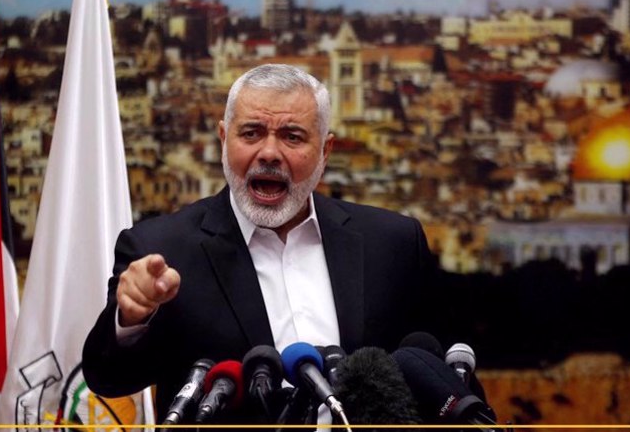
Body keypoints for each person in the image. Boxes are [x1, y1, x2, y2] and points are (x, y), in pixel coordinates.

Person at [82, 64, 438, 422]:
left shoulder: (393, 243)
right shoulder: (161, 249)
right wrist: (131, 316)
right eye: (251, 133)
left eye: (292, 137)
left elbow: (442, 378)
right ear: (224, 139)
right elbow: (108, 378)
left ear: (325, 150)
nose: (269, 152)